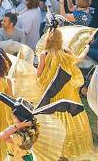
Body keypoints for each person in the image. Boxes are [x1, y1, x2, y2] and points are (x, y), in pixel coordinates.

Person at [36, 26, 93, 158]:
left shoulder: (44, 54)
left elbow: (38, 74)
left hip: (51, 88)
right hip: (66, 87)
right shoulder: (66, 51)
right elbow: (78, 59)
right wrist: (86, 48)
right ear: (60, 40)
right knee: (68, 111)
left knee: (51, 111)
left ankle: (52, 140)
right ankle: (71, 140)